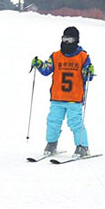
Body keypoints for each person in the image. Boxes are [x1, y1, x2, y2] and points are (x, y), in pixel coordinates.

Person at [31, 27, 94, 157]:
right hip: (57, 97)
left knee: (75, 123)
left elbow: (88, 77)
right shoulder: (55, 56)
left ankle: (83, 146)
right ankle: (52, 143)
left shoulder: (83, 57)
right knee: (53, 121)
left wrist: (88, 72)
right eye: (64, 38)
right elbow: (46, 70)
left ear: (75, 40)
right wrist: (39, 64)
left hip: (74, 98)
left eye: (69, 39)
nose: (66, 42)